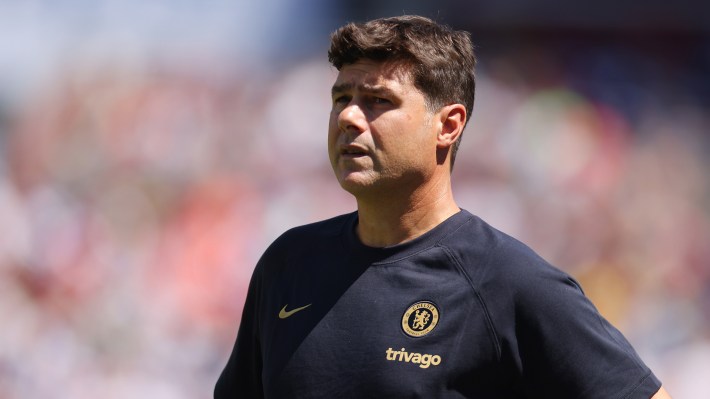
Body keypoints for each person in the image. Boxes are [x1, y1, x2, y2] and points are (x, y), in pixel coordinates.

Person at [215, 15, 672, 398]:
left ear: (448, 125)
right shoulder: (288, 264)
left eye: (378, 101)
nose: (349, 117)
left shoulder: (509, 281)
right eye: (341, 98)